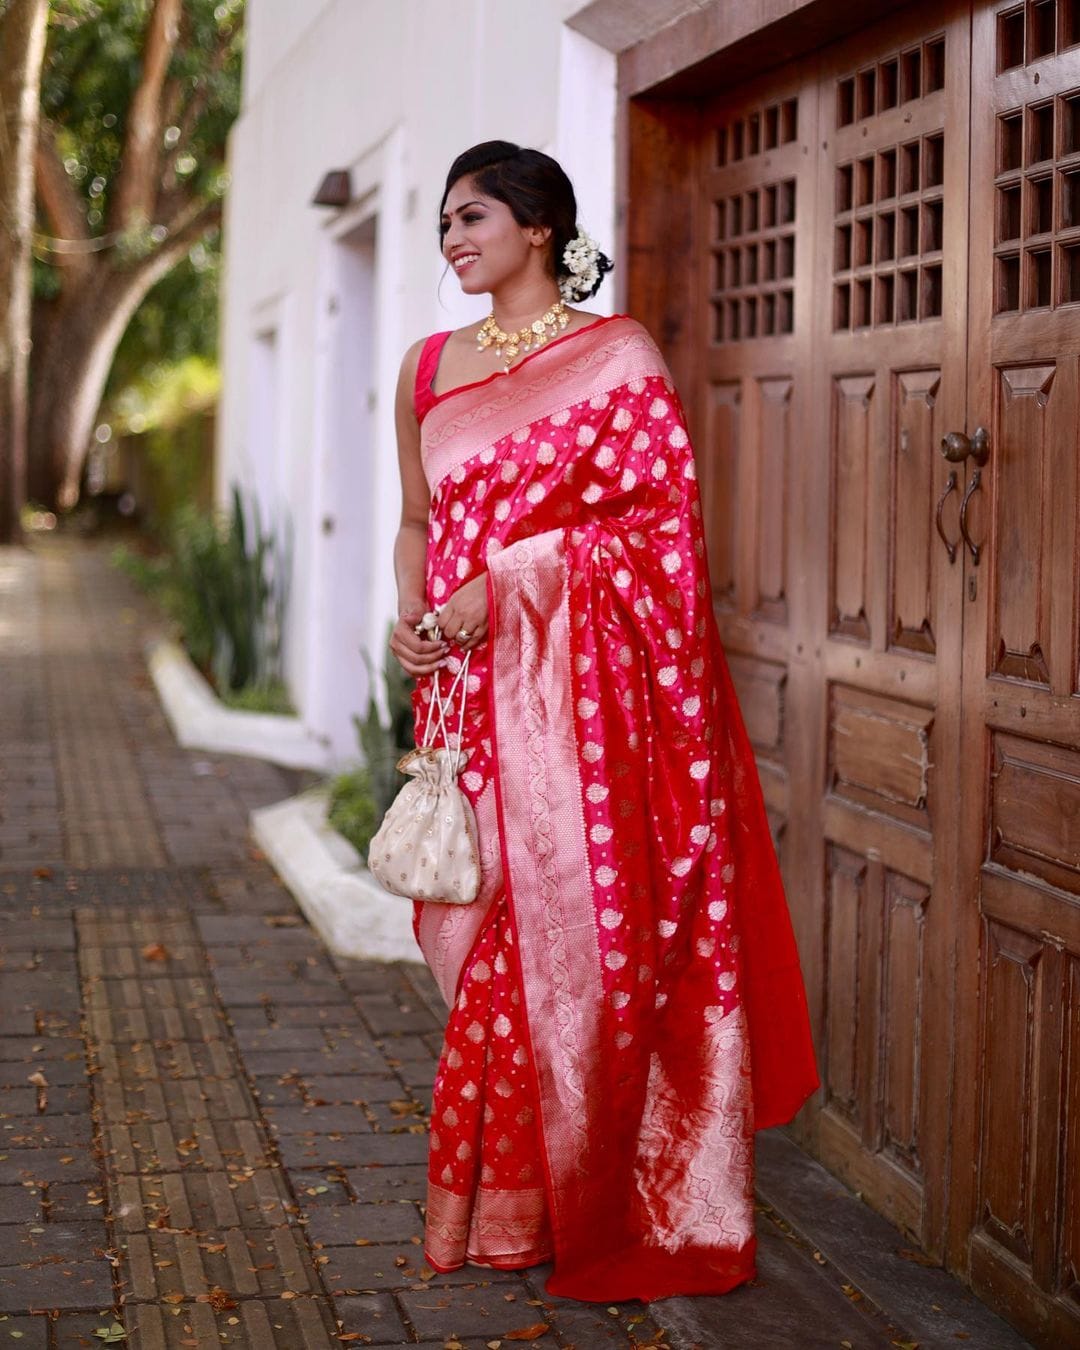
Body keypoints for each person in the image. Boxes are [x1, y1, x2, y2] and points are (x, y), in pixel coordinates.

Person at [388, 139, 817, 1303]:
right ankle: (511, 1200)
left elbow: (661, 537)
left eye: (473, 217)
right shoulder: (427, 367)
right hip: (469, 699)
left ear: (538, 228)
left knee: (561, 956)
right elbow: (420, 521)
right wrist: (411, 613)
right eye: (444, 223)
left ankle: (552, 1208)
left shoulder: (613, 355)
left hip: (583, 713)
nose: (454, 241)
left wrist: (512, 582)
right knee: (480, 938)